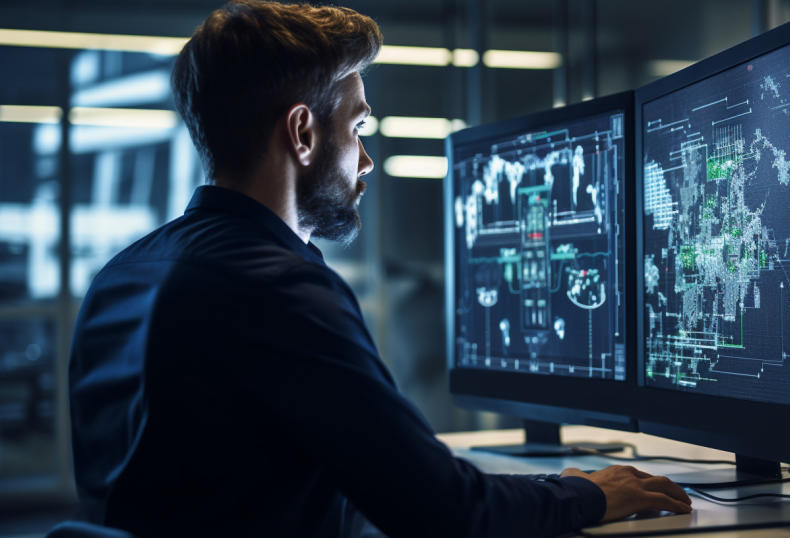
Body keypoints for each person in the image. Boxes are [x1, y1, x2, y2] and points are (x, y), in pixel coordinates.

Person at [66, 1, 693, 537]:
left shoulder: (123, 275)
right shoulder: (278, 289)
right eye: (358, 126)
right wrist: (590, 493)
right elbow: (448, 513)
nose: (366, 161)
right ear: (303, 133)